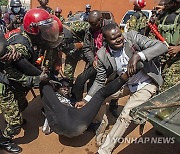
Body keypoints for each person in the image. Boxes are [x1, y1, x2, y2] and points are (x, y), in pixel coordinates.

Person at [74, 23, 167, 153]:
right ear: (105, 40)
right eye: (113, 38)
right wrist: (87, 99)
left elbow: (162, 46)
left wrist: (138, 56)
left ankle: (104, 150)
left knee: (125, 115)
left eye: (119, 35)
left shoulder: (132, 38)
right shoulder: (102, 54)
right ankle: (102, 123)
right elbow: (100, 80)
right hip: (126, 83)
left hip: (146, 83)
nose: (119, 39)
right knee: (98, 98)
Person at [0, 8, 63, 153]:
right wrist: (35, 80)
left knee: (23, 105)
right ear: (34, 29)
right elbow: (9, 72)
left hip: (15, 85)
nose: (47, 31)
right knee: (15, 125)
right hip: (5, 84)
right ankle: (4, 140)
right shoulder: (21, 46)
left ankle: (12, 116)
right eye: (44, 28)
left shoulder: (31, 39)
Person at [72, 10, 119, 119]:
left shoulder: (111, 27)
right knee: (80, 80)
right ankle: (81, 105)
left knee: (113, 84)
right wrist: (93, 60)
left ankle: (113, 107)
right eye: (90, 24)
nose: (92, 26)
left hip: (110, 61)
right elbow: (87, 48)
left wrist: (105, 59)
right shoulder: (90, 30)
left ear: (101, 20)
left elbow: (116, 46)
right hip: (95, 61)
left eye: (94, 24)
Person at [154, 0, 180, 91]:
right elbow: (154, 33)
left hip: (177, 58)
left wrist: (178, 48)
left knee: (168, 85)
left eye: (167, 2)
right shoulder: (163, 15)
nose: (164, 4)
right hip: (163, 57)